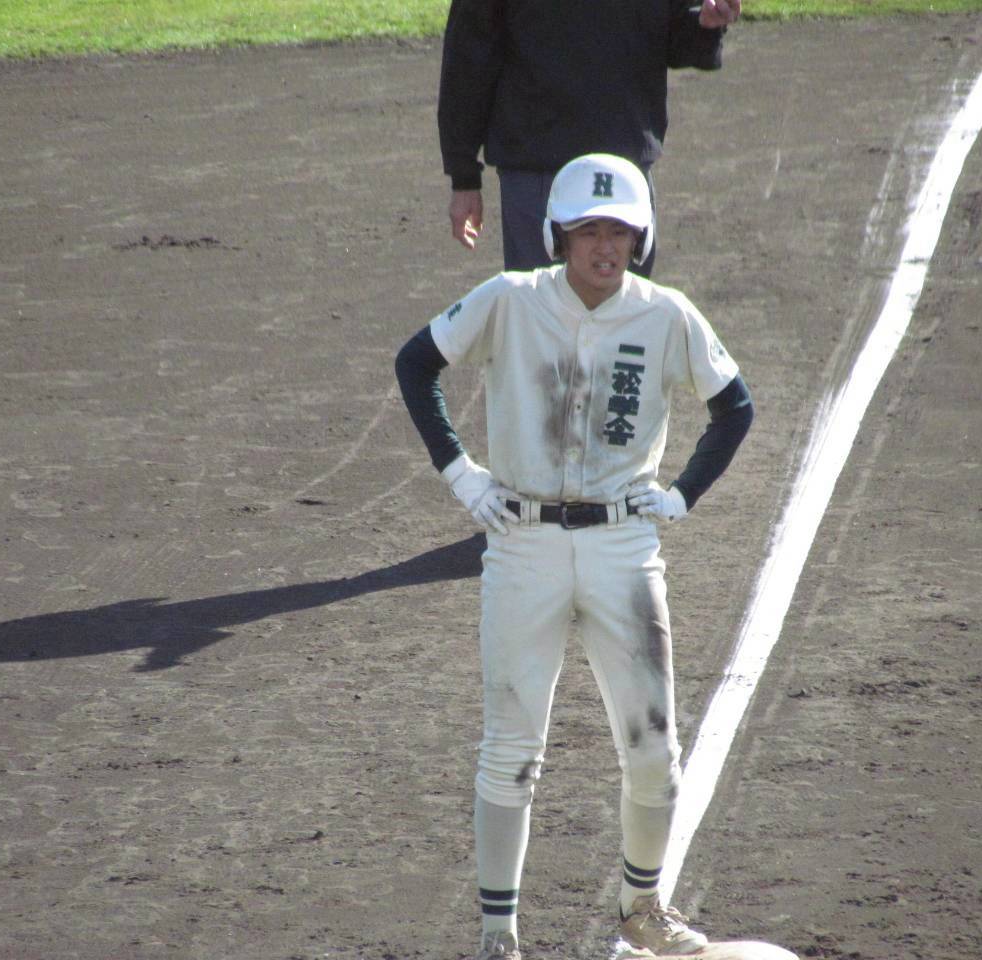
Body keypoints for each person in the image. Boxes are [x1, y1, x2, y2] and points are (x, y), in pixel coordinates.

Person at [394, 153, 754, 960]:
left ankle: (642, 907)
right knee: (511, 750)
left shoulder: (667, 315)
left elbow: (734, 407)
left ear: (640, 238)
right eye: (589, 230)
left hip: (623, 547)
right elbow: (416, 364)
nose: (604, 246)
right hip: (522, 543)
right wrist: (461, 476)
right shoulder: (509, 299)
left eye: (619, 231)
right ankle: (498, 935)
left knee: (653, 748)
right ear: (560, 234)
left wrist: (683, 493)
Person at [437, 0, 742, 278]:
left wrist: (706, 22)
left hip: (626, 166)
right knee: (542, 313)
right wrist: (463, 176)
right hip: (539, 173)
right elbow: (468, 54)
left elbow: (675, 35)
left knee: (628, 313)